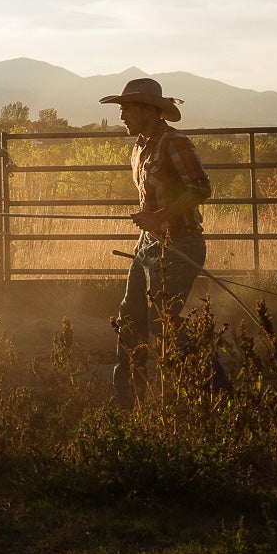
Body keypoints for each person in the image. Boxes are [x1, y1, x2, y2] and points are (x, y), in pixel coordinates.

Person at [100, 77, 212, 405]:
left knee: (161, 321)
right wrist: (149, 226)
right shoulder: (140, 147)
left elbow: (200, 188)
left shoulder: (175, 143)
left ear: (149, 111)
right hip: (149, 243)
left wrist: (160, 216)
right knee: (130, 317)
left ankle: (212, 386)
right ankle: (126, 399)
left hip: (180, 244)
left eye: (127, 109)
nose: (121, 115)